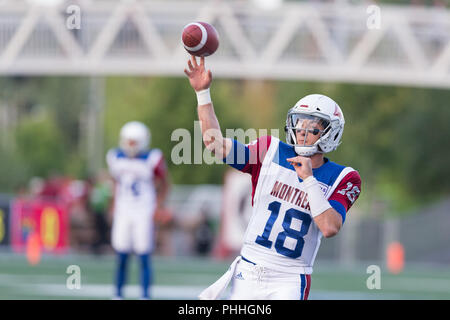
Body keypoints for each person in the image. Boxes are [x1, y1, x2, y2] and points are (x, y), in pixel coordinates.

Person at [184, 56, 361, 300]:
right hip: (248, 267)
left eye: (313, 128)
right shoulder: (270, 150)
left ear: (330, 133)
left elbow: (330, 227)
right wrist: (203, 93)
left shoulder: (343, 177)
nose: (302, 132)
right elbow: (215, 144)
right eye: (300, 124)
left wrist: (309, 180)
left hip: (289, 277)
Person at [106, 121, 169, 300]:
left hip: (144, 210)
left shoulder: (152, 158)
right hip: (123, 210)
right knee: (121, 254)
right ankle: (117, 294)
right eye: (128, 141)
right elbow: (114, 181)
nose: (130, 145)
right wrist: (113, 203)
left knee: (144, 255)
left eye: (133, 142)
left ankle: (145, 295)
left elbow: (165, 183)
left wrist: (159, 205)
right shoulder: (115, 156)